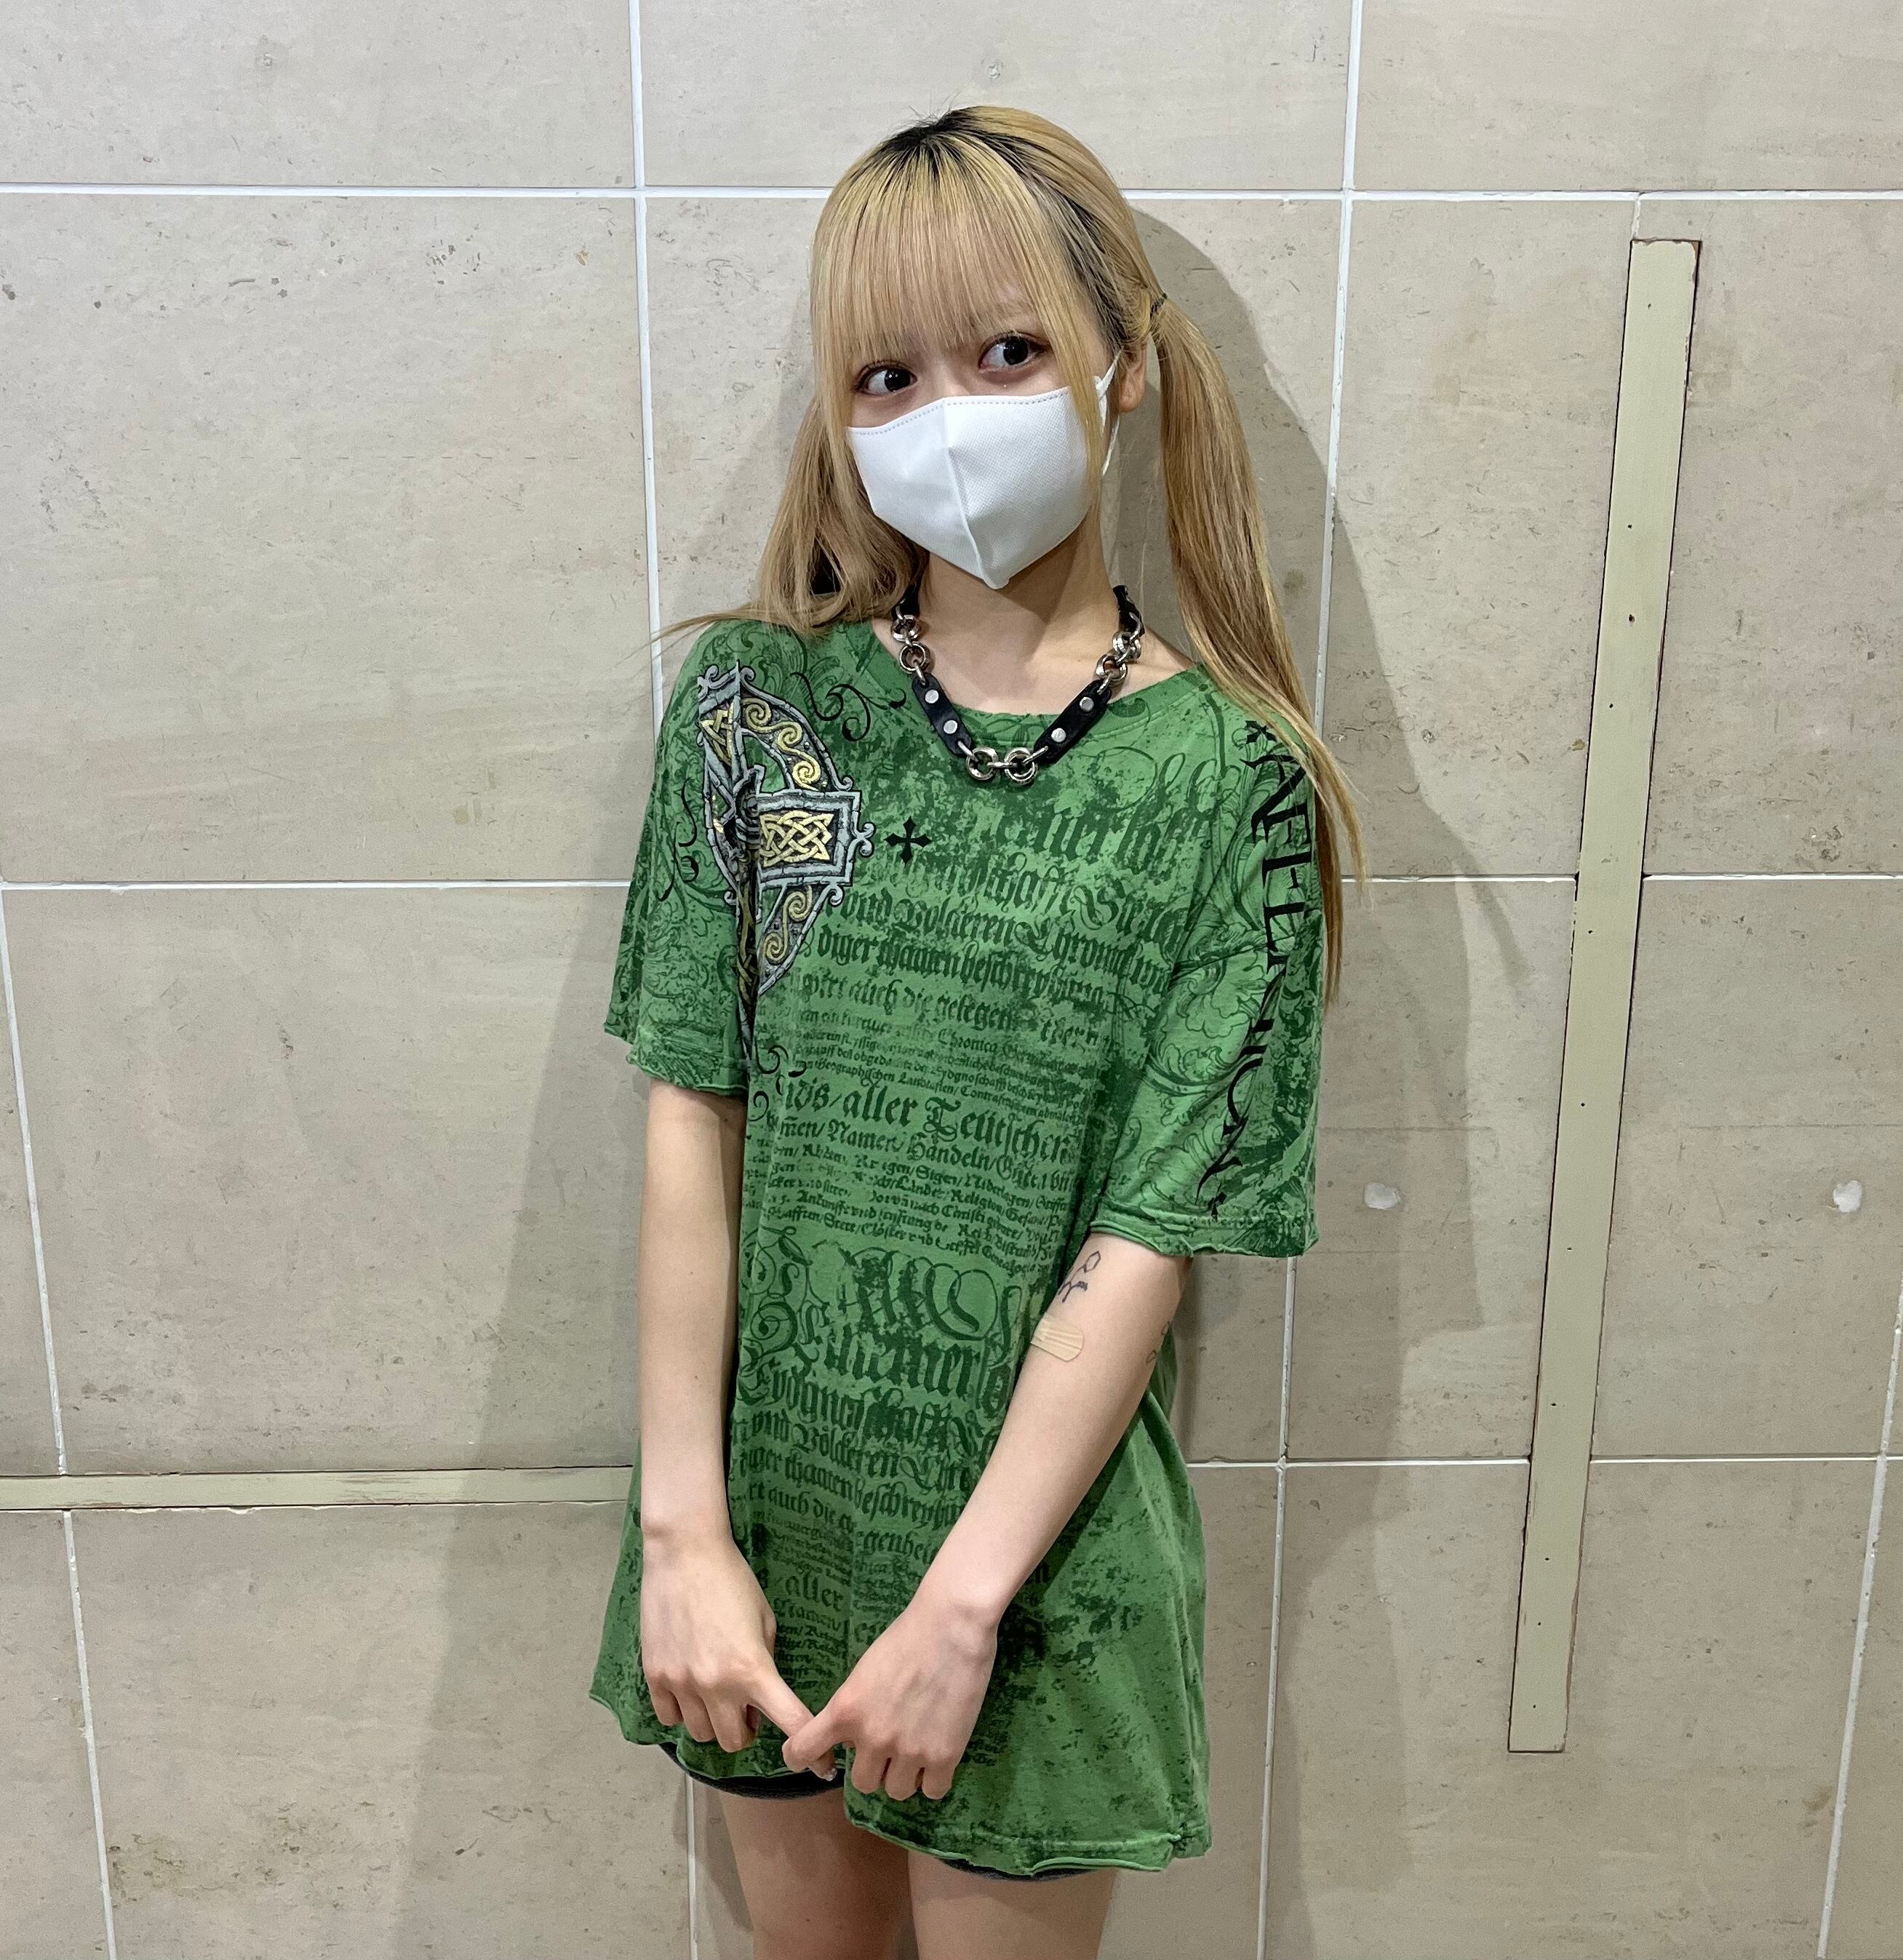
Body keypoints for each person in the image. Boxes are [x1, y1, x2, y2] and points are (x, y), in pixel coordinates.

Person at [586, 102, 1368, 1960]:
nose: (949, 416)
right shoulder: (757, 713)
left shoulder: (1232, 786)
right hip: (766, 1534)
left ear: (1122, 365)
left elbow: (1150, 1235)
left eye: (1009, 351)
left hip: (1039, 1572)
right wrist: (685, 1533)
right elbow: (694, 1113)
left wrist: (963, 1609)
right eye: (888, 375)